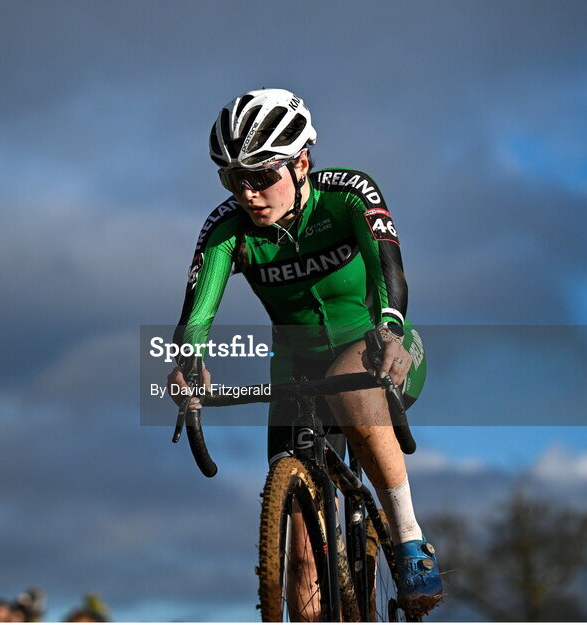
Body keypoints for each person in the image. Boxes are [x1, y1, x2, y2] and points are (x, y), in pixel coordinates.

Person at [168, 88, 443, 617]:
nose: (248, 193)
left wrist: (389, 328)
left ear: (301, 163)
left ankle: (409, 540)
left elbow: (391, 272)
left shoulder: (348, 195)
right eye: (233, 179)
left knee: (354, 386)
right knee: (300, 551)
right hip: (296, 369)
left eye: (261, 176)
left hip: (380, 346)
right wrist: (190, 362)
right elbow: (195, 316)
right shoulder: (227, 230)